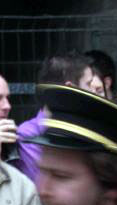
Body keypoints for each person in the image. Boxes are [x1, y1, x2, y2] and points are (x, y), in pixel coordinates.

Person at [14, 52, 106, 182]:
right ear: (70, 89)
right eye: (89, 84)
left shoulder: (92, 124)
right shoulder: (28, 134)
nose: (93, 93)